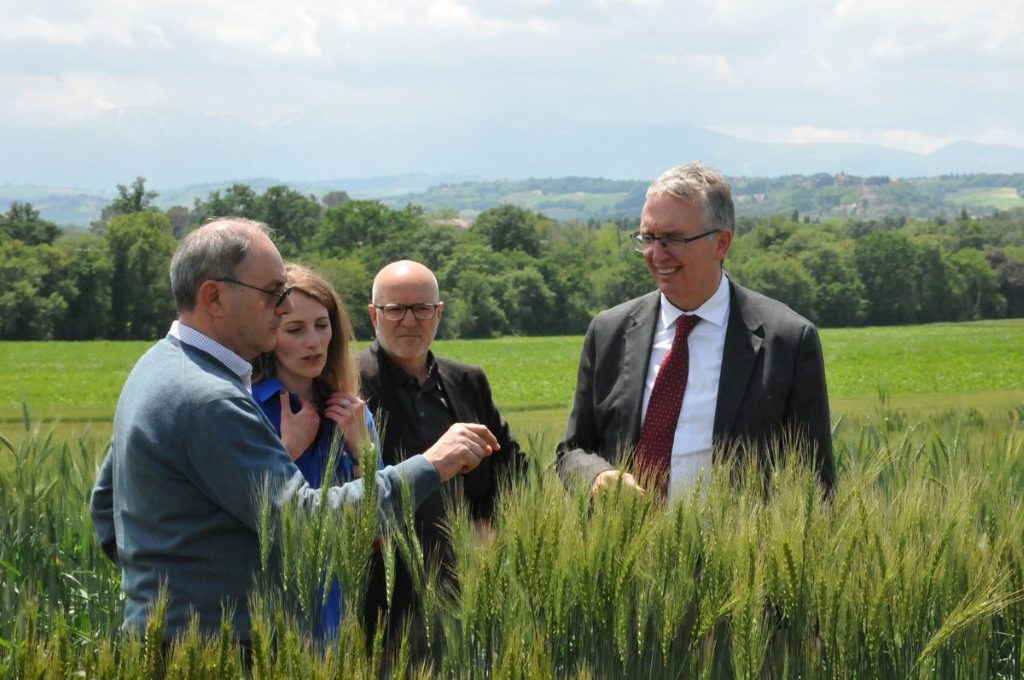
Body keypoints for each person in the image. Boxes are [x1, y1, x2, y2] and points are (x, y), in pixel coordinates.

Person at [89, 218, 499, 645]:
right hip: (225, 650)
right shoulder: (209, 397)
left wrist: (161, 595)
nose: (284, 307)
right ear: (214, 297)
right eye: (273, 293)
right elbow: (305, 524)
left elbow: (106, 508)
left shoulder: (157, 369)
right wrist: (431, 464)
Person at [557, 162, 835, 500]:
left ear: (722, 243)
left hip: (736, 551)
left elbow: (816, 483)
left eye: (673, 239)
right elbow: (572, 451)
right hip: (626, 549)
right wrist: (598, 477)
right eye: (648, 238)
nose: (656, 254)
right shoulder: (609, 332)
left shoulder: (787, 341)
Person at [357, 259, 528, 652]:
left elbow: (513, 468)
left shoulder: (467, 381)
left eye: (422, 309)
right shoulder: (351, 385)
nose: (409, 321)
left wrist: (490, 526)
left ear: (439, 313)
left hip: (465, 588)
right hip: (382, 603)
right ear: (373, 315)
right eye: (395, 309)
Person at [251, 262, 378, 639]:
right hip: (265, 610)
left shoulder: (354, 415)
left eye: (322, 326)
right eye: (295, 329)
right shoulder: (245, 409)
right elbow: (240, 516)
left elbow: (379, 531)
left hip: (337, 611)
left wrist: (363, 452)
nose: (314, 342)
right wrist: (286, 451)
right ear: (269, 335)